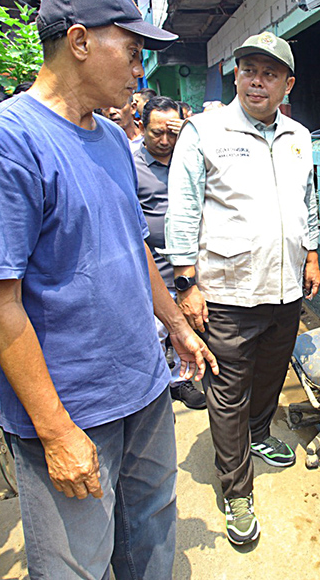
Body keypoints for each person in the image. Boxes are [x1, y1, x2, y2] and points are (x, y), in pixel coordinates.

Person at [0, 0, 217, 579]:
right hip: (73, 407)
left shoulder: (113, 142)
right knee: (77, 563)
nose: (141, 70)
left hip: (143, 387)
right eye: (133, 50)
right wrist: (54, 429)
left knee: (150, 533)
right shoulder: (1, 143)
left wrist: (174, 325)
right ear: (79, 41)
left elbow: (133, 245)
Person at [166, 32, 320, 546]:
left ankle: (258, 434)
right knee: (227, 392)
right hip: (228, 291)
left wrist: (313, 253)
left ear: (287, 84)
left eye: (270, 73)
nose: (258, 80)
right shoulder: (205, 132)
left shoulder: (300, 136)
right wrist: (186, 283)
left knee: (272, 373)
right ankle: (236, 490)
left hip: (284, 290)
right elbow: (184, 210)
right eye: (249, 69)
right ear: (236, 75)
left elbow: (307, 200)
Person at [133, 95, 207, 410]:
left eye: (172, 133)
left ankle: (181, 379)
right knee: (156, 326)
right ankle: (155, 387)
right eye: (156, 133)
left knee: (189, 319)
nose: (165, 141)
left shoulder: (192, 156)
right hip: (151, 262)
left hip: (191, 259)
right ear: (141, 128)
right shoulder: (130, 163)